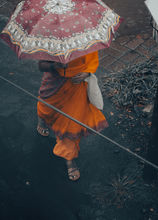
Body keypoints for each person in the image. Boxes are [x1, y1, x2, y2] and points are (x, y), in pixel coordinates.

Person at [37, 51, 108, 181]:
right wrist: (56, 65)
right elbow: (41, 65)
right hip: (53, 85)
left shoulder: (85, 41)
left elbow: (92, 61)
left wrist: (87, 73)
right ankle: (41, 120)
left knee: (71, 125)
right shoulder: (50, 42)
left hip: (76, 86)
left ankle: (69, 160)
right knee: (45, 109)